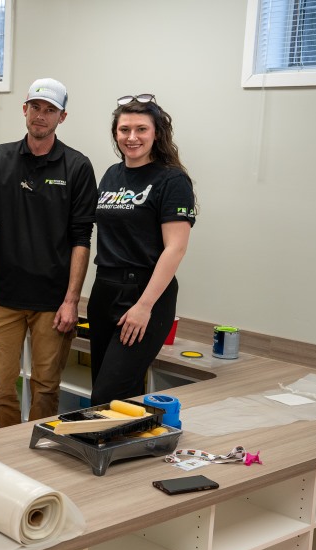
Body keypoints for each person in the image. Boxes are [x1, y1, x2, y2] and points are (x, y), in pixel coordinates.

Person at [0, 78, 96, 428]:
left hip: (53, 303)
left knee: (45, 389)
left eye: (50, 110)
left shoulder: (78, 166)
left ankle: (38, 457)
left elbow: (81, 239)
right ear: (25, 109)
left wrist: (72, 300)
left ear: (62, 117)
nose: (41, 116)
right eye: (36, 107)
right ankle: (8, 453)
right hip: (3, 298)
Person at [88, 94, 196, 405]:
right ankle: (126, 451)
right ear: (115, 133)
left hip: (144, 293)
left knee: (109, 394)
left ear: (157, 133)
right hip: (105, 288)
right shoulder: (111, 174)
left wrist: (144, 306)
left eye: (141, 129)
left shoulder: (172, 180)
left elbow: (175, 248)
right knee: (117, 392)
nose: (131, 137)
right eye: (124, 130)